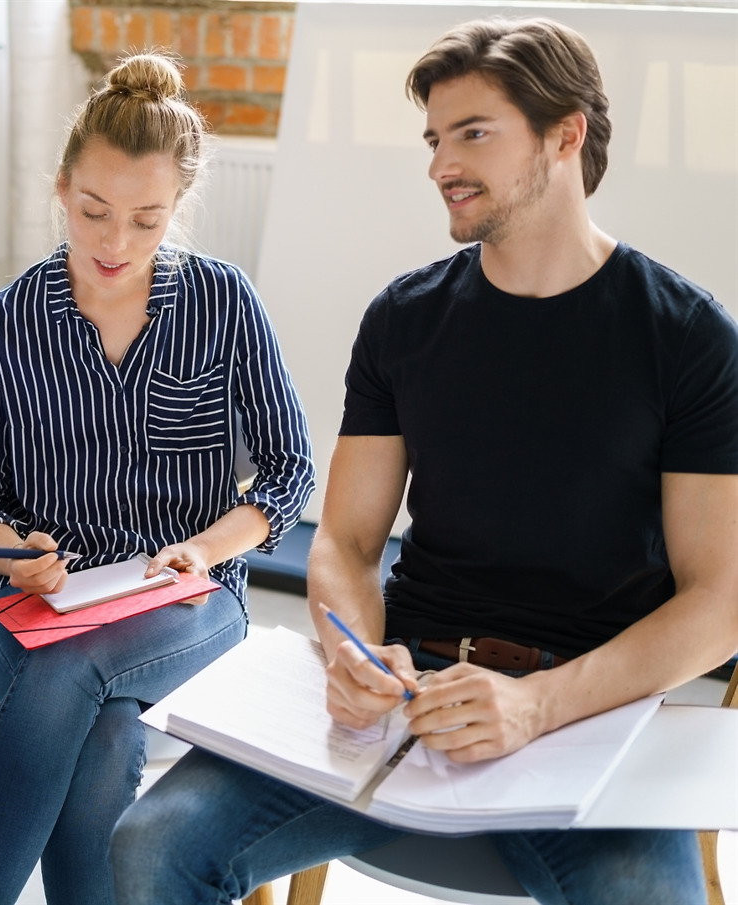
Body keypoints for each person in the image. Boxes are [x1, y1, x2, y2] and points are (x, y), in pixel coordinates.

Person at [110, 17, 738, 905]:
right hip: (412, 684)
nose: (441, 164)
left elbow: (721, 600)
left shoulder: (687, 336)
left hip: (586, 708)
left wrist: (538, 703)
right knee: (151, 844)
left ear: (567, 135)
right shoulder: (404, 319)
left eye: (473, 133)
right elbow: (349, 542)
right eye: (435, 139)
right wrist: (353, 652)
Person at [0, 53, 315, 905]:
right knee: (106, 734)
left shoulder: (224, 303)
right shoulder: (0, 327)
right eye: (93, 211)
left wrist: (202, 547)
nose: (115, 243)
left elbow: (290, 470)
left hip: (186, 607)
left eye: (146, 220)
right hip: (37, 610)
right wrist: (12, 555)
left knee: (76, 679)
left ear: (177, 207)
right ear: (60, 186)